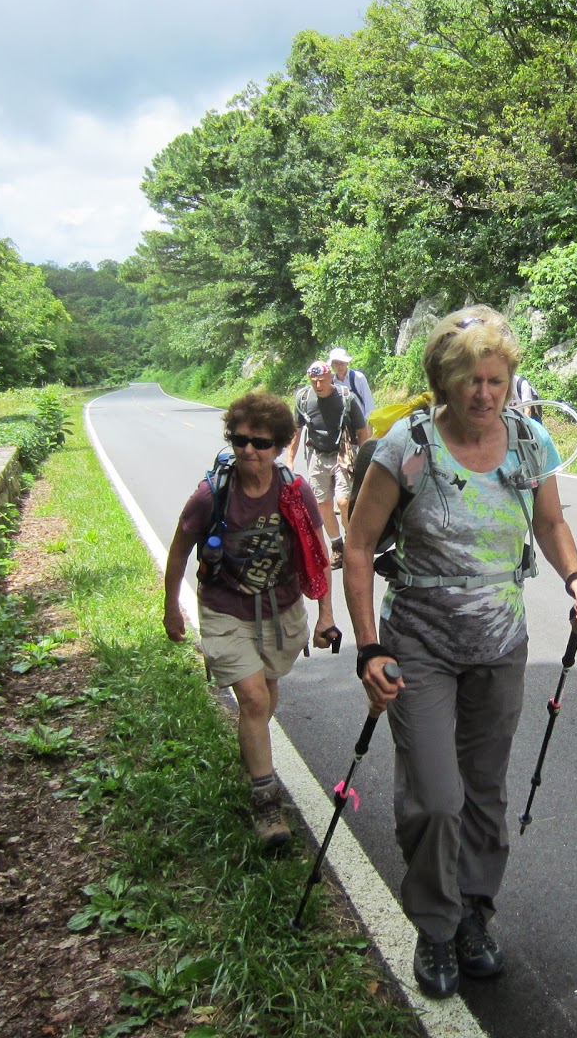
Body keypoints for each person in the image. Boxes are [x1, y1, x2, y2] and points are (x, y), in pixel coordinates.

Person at [344, 306, 577, 999]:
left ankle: (474, 916)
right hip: (419, 644)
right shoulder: (406, 446)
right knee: (436, 797)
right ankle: (434, 927)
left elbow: (549, 523)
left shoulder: (529, 442)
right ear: (442, 382)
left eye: (495, 380)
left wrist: (575, 576)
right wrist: (369, 646)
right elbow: (361, 547)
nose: (484, 394)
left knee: (484, 792)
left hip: (500, 645)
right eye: (470, 381)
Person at [162, 392, 338, 849]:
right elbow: (180, 550)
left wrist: (326, 614)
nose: (248, 451)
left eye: (260, 443)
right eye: (240, 440)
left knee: (265, 695)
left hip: (279, 610)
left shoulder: (293, 493)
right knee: (255, 699)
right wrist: (170, 606)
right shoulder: (211, 495)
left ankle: (252, 750)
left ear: (280, 445)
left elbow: (317, 554)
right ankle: (266, 804)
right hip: (225, 610)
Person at [288, 360, 370, 568]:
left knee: (343, 502)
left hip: (343, 453)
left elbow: (362, 431)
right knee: (322, 503)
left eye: (321, 380)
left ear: (330, 378)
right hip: (317, 454)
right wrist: (289, 461)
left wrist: (366, 462)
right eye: (313, 381)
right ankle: (338, 547)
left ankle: (353, 543)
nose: (317, 385)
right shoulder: (304, 399)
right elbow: (296, 431)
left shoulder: (346, 398)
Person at [328, 346, 375, 419]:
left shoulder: (358, 377)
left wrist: (368, 424)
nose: (339, 366)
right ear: (332, 365)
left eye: (341, 363)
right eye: (336, 363)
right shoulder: (330, 382)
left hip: (362, 422)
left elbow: (369, 403)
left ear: (347, 363)